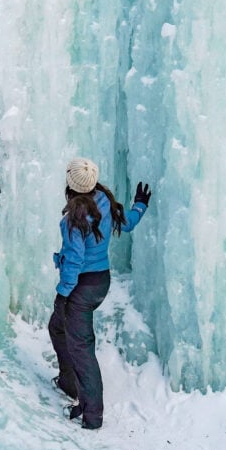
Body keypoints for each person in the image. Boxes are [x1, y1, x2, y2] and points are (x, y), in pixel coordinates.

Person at [48, 157, 151, 430]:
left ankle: (92, 416)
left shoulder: (74, 220)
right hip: (100, 281)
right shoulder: (104, 200)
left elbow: (74, 261)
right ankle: (69, 384)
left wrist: (63, 293)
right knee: (57, 328)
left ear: (71, 184)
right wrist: (140, 205)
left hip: (81, 287)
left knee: (81, 350)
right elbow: (127, 222)